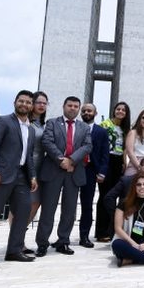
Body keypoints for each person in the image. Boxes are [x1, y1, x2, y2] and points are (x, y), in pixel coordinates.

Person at [0, 90, 38, 267]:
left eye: (28, 102)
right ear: (15, 102)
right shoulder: (2, 121)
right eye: (21, 101)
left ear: (31, 106)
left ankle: (14, 250)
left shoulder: (31, 129)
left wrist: (32, 176)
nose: (24, 104)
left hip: (22, 177)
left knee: (23, 212)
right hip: (0, 175)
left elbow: (28, 156)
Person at [36, 96, 93, 257]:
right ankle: (42, 243)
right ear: (63, 106)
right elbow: (47, 142)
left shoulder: (84, 127)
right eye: (70, 105)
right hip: (54, 169)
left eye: (76, 106)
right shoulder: (52, 123)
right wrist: (61, 160)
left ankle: (63, 241)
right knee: (48, 209)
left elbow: (88, 146)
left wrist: (72, 160)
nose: (73, 108)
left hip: (73, 172)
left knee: (69, 210)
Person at [15, 90, 48, 254]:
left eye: (44, 103)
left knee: (35, 203)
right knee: (22, 204)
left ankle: (18, 237)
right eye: (38, 102)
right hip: (25, 167)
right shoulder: (25, 122)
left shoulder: (43, 124)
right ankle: (16, 241)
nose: (41, 105)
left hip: (41, 167)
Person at [96, 101, 131, 242]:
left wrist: (124, 163)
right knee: (105, 196)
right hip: (106, 161)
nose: (120, 111)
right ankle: (101, 231)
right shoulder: (105, 125)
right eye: (118, 109)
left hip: (118, 163)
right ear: (114, 110)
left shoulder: (125, 129)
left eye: (123, 110)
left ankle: (113, 230)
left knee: (116, 197)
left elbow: (124, 149)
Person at [78, 103, 109, 248]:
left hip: (91, 170)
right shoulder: (74, 128)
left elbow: (104, 154)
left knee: (87, 204)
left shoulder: (102, 132)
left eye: (89, 111)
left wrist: (102, 172)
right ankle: (62, 237)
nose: (86, 113)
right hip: (74, 168)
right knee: (68, 204)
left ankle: (84, 236)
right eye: (83, 111)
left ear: (95, 113)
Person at [103, 157, 144, 226]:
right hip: (127, 215)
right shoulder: (125, 181)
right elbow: (109, 197)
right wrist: (117, 214)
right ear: (139, 167)